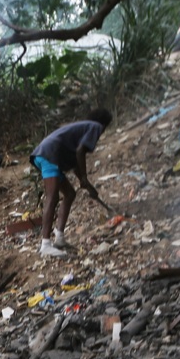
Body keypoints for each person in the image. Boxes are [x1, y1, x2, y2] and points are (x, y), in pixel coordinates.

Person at [30, 109, 113, 258]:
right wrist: (84, 177)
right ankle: (45, 245)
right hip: (50, 154)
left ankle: (60, 238)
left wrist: (87, 184)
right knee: (52, 197)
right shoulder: (95, 127)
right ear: (105, 124)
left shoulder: (84, 127)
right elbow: (80, 151)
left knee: (70, 194)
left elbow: (75, 163)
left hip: (47, 153)